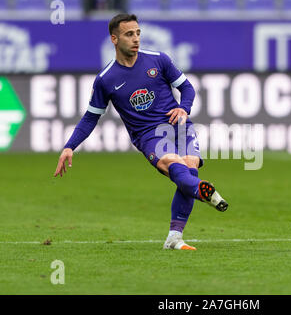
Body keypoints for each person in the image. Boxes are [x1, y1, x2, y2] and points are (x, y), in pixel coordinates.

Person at [53, 13, 228, 251]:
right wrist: (69, 146)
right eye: (129, 34)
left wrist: (183, 108)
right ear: (114, 39)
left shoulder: (159, 60)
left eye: (138, 33)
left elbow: (187, 88)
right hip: (149, 135)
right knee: (176, 167)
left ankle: (175, 237)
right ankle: (204, 193)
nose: (135, 39)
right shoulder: (106, 79)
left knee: (188, 170)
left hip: (179, 125)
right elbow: (91, 117)